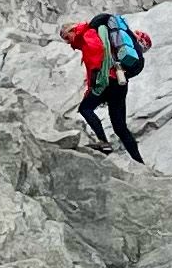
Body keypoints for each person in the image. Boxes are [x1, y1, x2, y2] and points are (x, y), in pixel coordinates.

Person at [62, 8, 149, 159]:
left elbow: (97, 50)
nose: (67, 42)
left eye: (66, 37)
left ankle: (104, 143)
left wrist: (96, 78)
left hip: (108, 79)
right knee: (120, 127)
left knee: (86, 108)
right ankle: (139, 161)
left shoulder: (88, 33)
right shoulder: (98, 31)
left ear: (73, 30)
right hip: (120, 82)